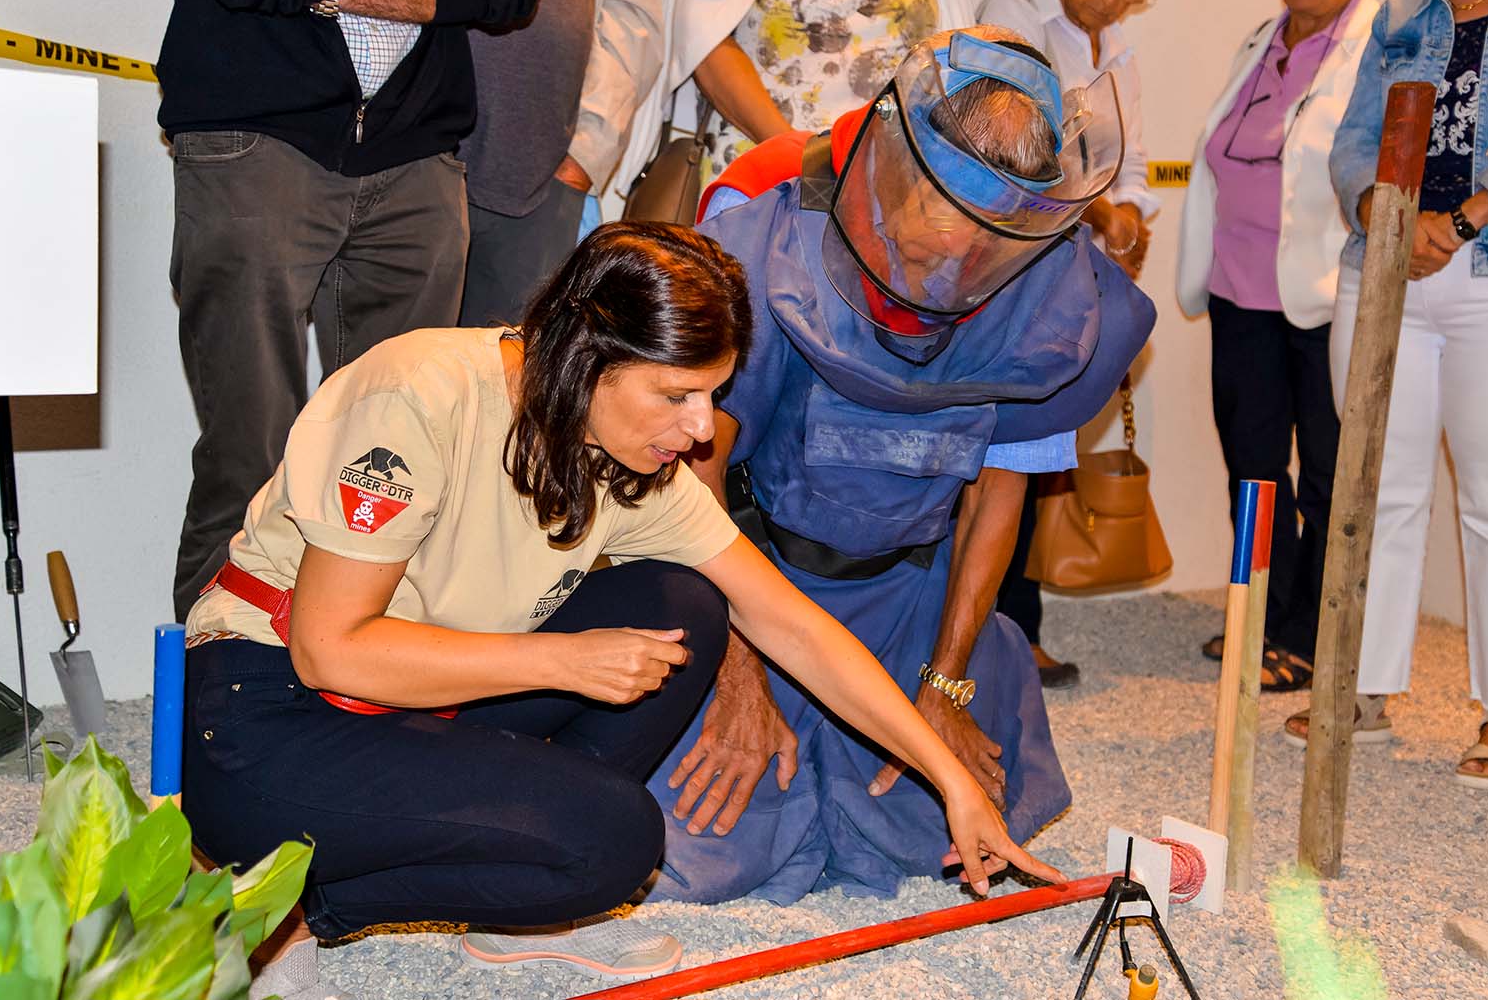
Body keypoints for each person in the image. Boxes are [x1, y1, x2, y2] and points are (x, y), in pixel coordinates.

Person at [181, 223, 1062, 997]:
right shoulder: (419, 391)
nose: (704, 428)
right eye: (676, 394)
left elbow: (793, 624)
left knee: (685, 602)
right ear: (583, 357)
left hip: (422, 700)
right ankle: (271, 907)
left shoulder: (630, 460)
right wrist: (561, 662)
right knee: (612, 843)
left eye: (713, 395)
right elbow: (330, 653)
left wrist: (948, 781)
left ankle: (489, 887)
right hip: (268, 714)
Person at [640, 27, 1155, 904]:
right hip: (753, 587)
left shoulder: (1051, 278)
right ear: (892, 172)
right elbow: (693, 476)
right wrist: (734, 670)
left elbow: (999, 495)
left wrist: (947, 684)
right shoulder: (764, 217)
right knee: (703, 850)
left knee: (928, 836)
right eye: (931, 238)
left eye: (984, 252)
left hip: (913, 603)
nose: (952, 272)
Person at [158, 0, 541, 623]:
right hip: (254, 143)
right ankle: (216, 701)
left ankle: (369, 697)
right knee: (248, 459)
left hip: (419, 156)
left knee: (402, 465)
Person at [1285, 0, 1488, 790]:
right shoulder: (1400, 13)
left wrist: (1463, 220)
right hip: (1385, 266)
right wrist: (1381, 209)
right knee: (1374, 487)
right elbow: (1355, 141)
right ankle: (1360, 689)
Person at [1176, 0, 1383, 692]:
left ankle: (1310, 634)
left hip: (1328, 297)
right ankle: (1259, 615)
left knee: (1330, 475)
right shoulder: (1262, 41)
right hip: (1238, 293)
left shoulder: (1374, 48)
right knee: (1254, 473)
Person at [976, 0, 1177, 688]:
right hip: (1005, 269)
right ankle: (975, 633)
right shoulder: (1013, 15)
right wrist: (1104, 215)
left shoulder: (1119, 51)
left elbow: (1132, 164)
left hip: (1068, 276)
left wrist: (1127, 211)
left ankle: (1016, 629)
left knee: (1039, 453)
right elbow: (1024, 148)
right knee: (994, 451)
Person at [612, 0, 976, 203]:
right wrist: (805, 162)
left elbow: (954, 65)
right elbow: (704, 40)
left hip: (884, 200)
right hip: (760, 182)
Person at [457, 0, 663, 326]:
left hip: (541, 186)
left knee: (511, 372)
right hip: (417, 162)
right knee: (390, 365)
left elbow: (631, 21)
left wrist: (583, 158)